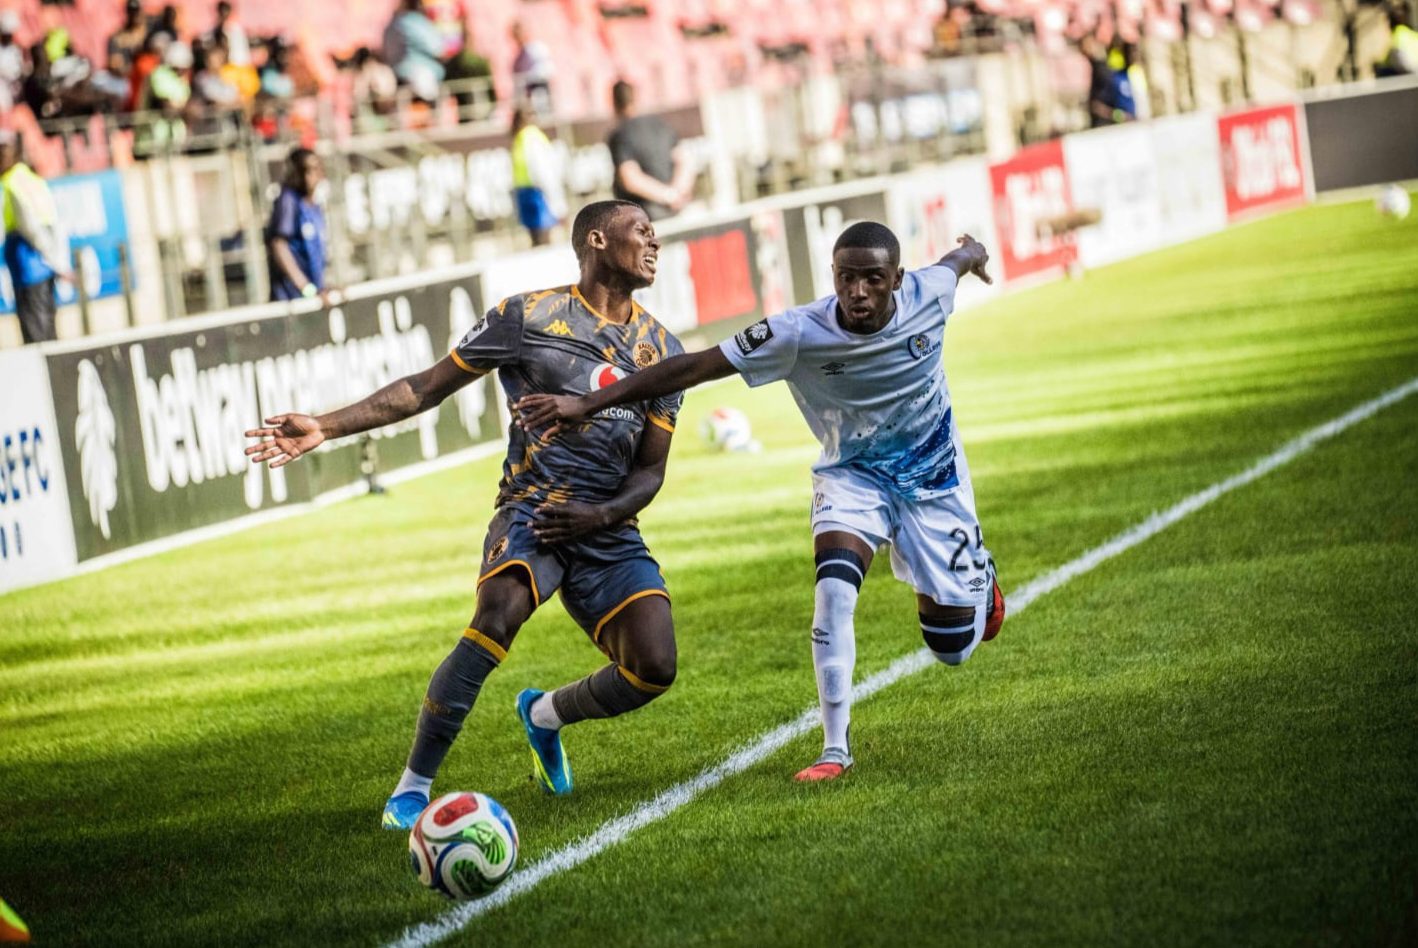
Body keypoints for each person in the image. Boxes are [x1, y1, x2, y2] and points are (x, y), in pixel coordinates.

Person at [244, 200, 687, 827]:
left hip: (607, 525)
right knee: (496, 616)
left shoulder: (663, 349)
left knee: (654, 668)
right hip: (533, 513)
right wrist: (326, 424)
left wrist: (602, 515)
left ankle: (544, 715)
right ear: (596, 239)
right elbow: (423, 388)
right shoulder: (525, 317)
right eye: (641, 229)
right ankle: (413, 787)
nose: (654, 240)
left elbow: (650, 472)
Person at [517, 223, 1005, 782]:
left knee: (952, 648)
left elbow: (960, 256)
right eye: (848, 279)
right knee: (833, 593)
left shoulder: (930, 294)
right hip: (852, 478)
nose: (860, 292)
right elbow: (692, 366)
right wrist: (589, 402)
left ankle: (979, 581)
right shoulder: (797, 332)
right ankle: (834, 750)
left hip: (933, 480)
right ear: (834, 277)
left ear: (898, 279)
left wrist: (972, 251)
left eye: (874, 279)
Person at [1, 133, 71, 345]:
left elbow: (29, 227)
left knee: (36, 332)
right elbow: (54, 223)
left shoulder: (9, 183)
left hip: (29, 266)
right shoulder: (32, 179)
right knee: (48, 326)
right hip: (44, 265)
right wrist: (58, 262)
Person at [607, 79, 695, 221]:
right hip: (677, 212)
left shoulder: (620, 134)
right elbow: (685, 161)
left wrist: (668, 196)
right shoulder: (661, 125)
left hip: (644, 219)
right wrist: (677, 194)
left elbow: (630, 178)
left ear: (614, 103)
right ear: (636, 97)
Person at [264, 148, 327, 302]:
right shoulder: (289, 200)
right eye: (307, 170)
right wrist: (306, 288)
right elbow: (279, 245)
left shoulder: (313, 205)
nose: (314, 175)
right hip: (292, 299)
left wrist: (320, 288)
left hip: (311, 297)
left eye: (317, 168)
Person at [510, 107, 565, 246]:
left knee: (539, 241)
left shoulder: (524, 139)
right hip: (534, 195)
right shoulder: (530, 137)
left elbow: (541, 172)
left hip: (533, 195)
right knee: (542, 241)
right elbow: (545, 172)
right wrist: (558, 204)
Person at [383, 0, 445, 104]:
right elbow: (437, 48)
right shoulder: (414, 20)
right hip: (421, 75)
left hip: (397, 73)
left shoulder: (392, 23)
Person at [509, 21, 552, 116]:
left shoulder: (537, 49)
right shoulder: (519, 55)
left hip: (538, 87)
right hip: (526, 90)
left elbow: (546, 72)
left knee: (542, 114)